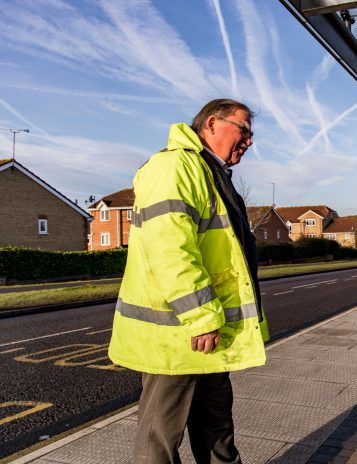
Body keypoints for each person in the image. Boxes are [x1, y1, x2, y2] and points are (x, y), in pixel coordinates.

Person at [108, 99, 269, 464]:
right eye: (243, 130)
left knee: (217, 435)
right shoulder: (175, 167)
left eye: (251, 134)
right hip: (177, 337)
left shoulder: (210, 173)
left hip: (210, 336)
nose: (249, 141)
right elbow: (171, 249)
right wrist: (201, 317)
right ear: (211, 123)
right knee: (160, 441)